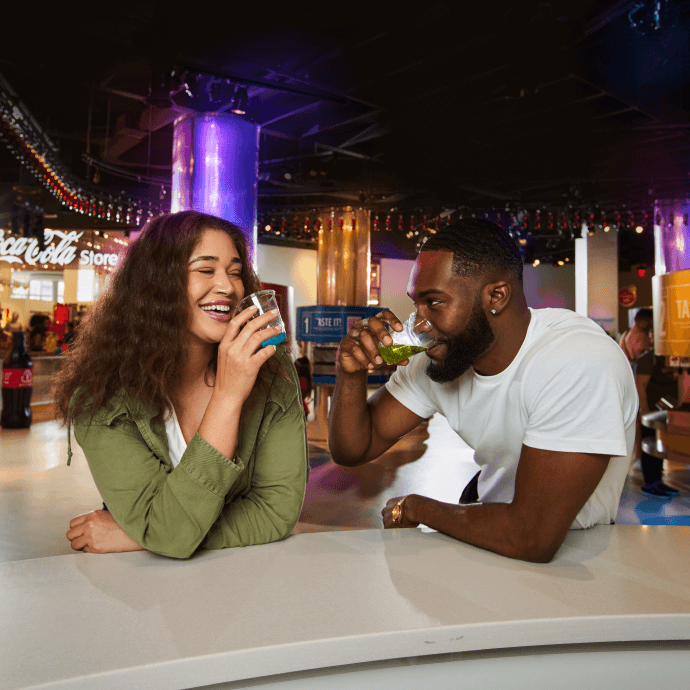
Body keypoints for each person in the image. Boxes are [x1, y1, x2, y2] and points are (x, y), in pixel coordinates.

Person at [329, 219, 637, 563]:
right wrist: (350, 373)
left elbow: (531, 537)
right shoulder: (442, 357)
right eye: (417, 304)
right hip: (486, 533)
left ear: (497, 296)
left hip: (578, 554)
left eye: (435, 302)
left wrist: (419, 508)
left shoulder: (576, 360)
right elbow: (354, 448)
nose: (419, 323)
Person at [54, 210, 308, 558]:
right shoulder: (103, 394)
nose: (228, 287)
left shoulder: (269, 369)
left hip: (246, 586)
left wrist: (142, 536)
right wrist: (228, 397)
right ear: (156, 284)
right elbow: (169, 534)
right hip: (145, 596)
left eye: (236, 272)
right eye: (205, 269)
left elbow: (277, 512)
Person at [633, 349, 679, 497]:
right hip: (651, 410)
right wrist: (644, 410)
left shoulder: (676, 357)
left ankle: (657, 481)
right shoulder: (648, 359)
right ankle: (650, 483)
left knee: (659, 445)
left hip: (666, 410)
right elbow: (640, 385)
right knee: (650, 442)